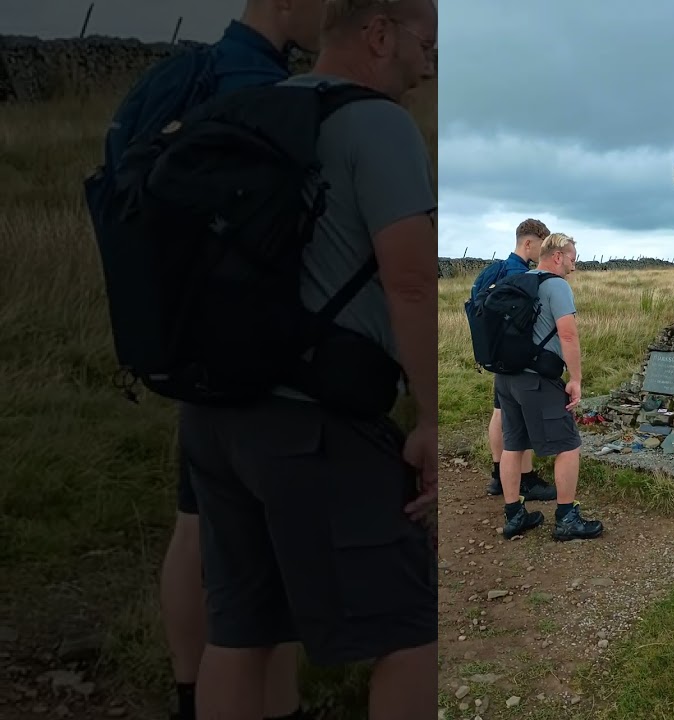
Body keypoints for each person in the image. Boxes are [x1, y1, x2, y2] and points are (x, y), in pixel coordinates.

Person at [178, 1, 439, 718]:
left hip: (213, 416)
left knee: (241, 632)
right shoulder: (377, 124)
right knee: (412, 630)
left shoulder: (245, 110)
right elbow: (412, 283)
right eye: (426, 44)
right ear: (379, 33)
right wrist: (431, 414)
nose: (429, 64)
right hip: (317, 426)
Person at [90, 3, 329, 719]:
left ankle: (190, 693)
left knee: (194, 521)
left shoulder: (179, 78)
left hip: (177, 336)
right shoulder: (261, 88)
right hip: (245, 349)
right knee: (258, 543)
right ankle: (265, 705)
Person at [494, 233, 605, 541]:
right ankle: (567, 519)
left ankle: (514, 515)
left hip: (506, 378)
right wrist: (576, 380)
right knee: (569, 444)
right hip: (537, 380)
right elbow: (568, 336)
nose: (574, 265)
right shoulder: (556, 286)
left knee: (513, 445)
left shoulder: (521, 282)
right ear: (558, 256)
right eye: (572, 258)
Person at [469, 218, 556, 500]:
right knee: (520, 416)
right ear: (528, 242)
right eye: (540, 246)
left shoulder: (492, 270)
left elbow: (476, 305)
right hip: (517, 358)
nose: (541, 254)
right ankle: (525, 480)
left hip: (492, 353)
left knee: (500, 412)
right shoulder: (521, 274)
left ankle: (499, 476)